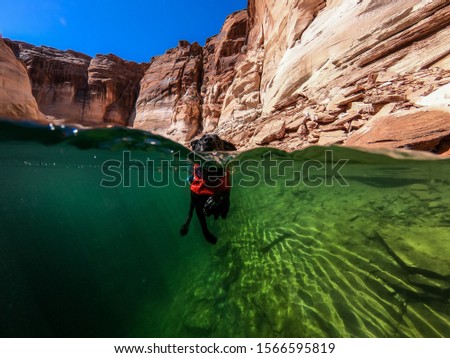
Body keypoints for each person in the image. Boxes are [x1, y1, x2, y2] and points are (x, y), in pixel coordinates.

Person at [180, 135, 236, 244]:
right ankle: (188, 220)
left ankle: (217, 203)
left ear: (226, 148)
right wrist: (205, 232)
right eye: (204, 139)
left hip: (219, 185)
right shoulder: (196, 177)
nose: (208, 140)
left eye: (216, 140)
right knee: (193, 204)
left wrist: (219, 195)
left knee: (224, 213)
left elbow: (226, 190)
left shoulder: (224, 169)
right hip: (199, 182)